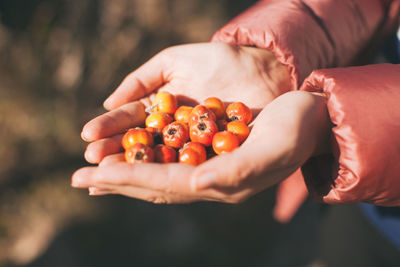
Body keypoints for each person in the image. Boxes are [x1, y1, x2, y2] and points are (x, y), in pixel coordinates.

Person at [71, 0, 400, 264]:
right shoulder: (198, 122)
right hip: (367, 211)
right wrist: (273, 59)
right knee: (342, 249)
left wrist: (330, 123)